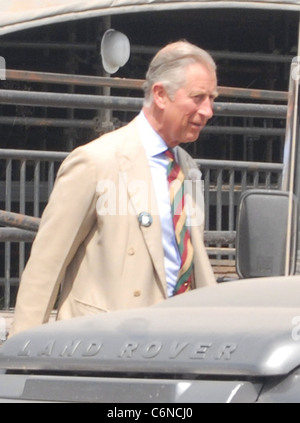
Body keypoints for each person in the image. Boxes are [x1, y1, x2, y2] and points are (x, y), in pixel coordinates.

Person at [10, 40, 218, 336]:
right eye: (198, 97)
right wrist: (22, 351)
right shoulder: (96, 161)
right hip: (107, 349)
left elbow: (189, 261)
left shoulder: (186, 167)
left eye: (212, 98)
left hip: (178, 346)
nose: (208, 110)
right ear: (160, 94)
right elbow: (47, 265)